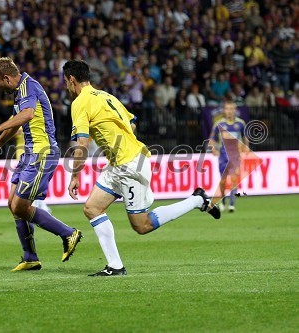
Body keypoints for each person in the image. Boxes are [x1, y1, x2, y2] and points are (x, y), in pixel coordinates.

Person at [63, 60, 220, 277]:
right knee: (92, 208)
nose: (66, 87)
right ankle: (115, 266)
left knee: (142, 225)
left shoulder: (80, 102)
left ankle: (197, 201)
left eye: (66, 82)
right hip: (121, 163)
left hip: (129, 165)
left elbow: (81, 145)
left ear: (71, 80)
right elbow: (132, 124)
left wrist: (75, 176)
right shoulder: (106, 96)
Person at [0, 57, 82, 271]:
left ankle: (68, 233)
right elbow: (17, 119)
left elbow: (27, 115)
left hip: (42, 152)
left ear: (7, 78)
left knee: (21, 206)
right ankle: (30, 257)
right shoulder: (20, 91)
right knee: (12, 204)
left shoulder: (29, 86)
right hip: (30, 153)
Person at [209, 101, 249, 212]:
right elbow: (211, 139)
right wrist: (214, 150)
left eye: (231, 109)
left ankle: (232, 205)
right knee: (223, 181)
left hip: (235, 156)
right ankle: (222, 200)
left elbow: (245, 137)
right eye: (227, 108)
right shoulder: (219, 123)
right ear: (224, 110)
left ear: (235, 110)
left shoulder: (240, 123)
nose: (229, 111)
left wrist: (246, 148)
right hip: (223, 156)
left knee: (234, 180)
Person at [14, 126, 52, 213]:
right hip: (22, 154)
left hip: (35, 153)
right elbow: (10, 131)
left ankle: (39, 204)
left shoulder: (36, 116)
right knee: (25, 183)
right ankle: (37, 205)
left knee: (35, 181)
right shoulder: (14, 117)